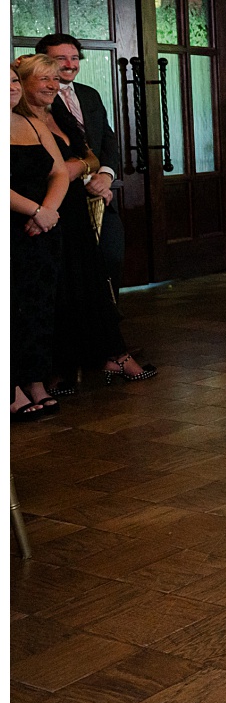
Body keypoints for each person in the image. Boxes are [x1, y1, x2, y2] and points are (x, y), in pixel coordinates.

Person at [14, 54, 156, 393]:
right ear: (22, 83)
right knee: (56, 291)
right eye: (43, 79)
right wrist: (41, 210)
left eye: (55, 79)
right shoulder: (19, 119)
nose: (53, 85)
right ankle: (56, 369)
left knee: (90, 282)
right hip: (33, 213)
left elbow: (90, 155)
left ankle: (112, 355)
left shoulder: (56, 113)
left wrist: (78, 168)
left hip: (69, 208)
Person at [39, 34, 124, 284]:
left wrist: (106, 175)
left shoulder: (89, 94)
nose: (70, 64)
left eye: (74, 58)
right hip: (59, 198)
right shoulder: (37, 98)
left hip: (99, 194)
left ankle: (109, 319)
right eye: (60, 58)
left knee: (111, 257)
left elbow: (107, 139)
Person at [11, 60, 69, 421]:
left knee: (39, 306)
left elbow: (60, 171)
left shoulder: (33, 122)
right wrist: (35, 210)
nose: (12, 87)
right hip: (12, 224)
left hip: (43, 227)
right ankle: (10, 386)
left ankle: (35, 380)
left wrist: (47, 212)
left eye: (13, 80)